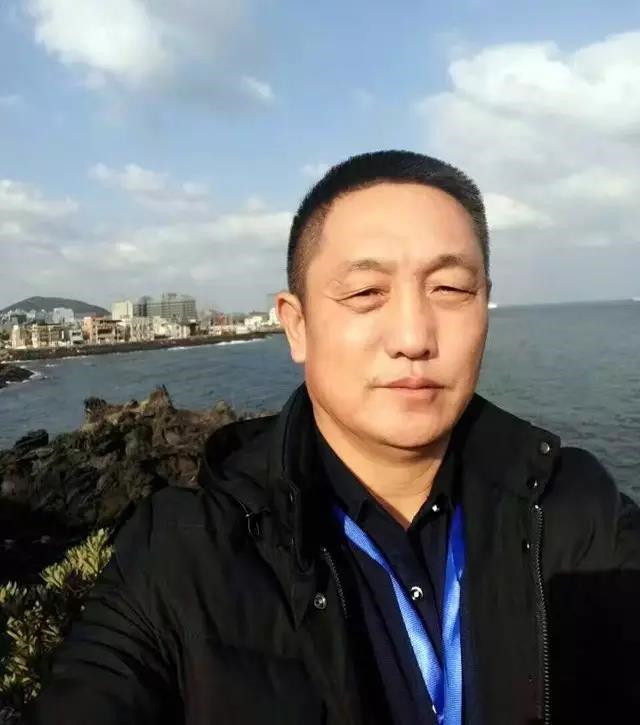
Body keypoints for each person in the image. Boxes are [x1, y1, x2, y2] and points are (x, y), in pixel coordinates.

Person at [28, 150, 640, 725]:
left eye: (451, 289)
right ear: (296, 326)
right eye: (366, 293)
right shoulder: (182, 555)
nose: (413, 337)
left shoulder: (575, 508)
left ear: (484, 306)